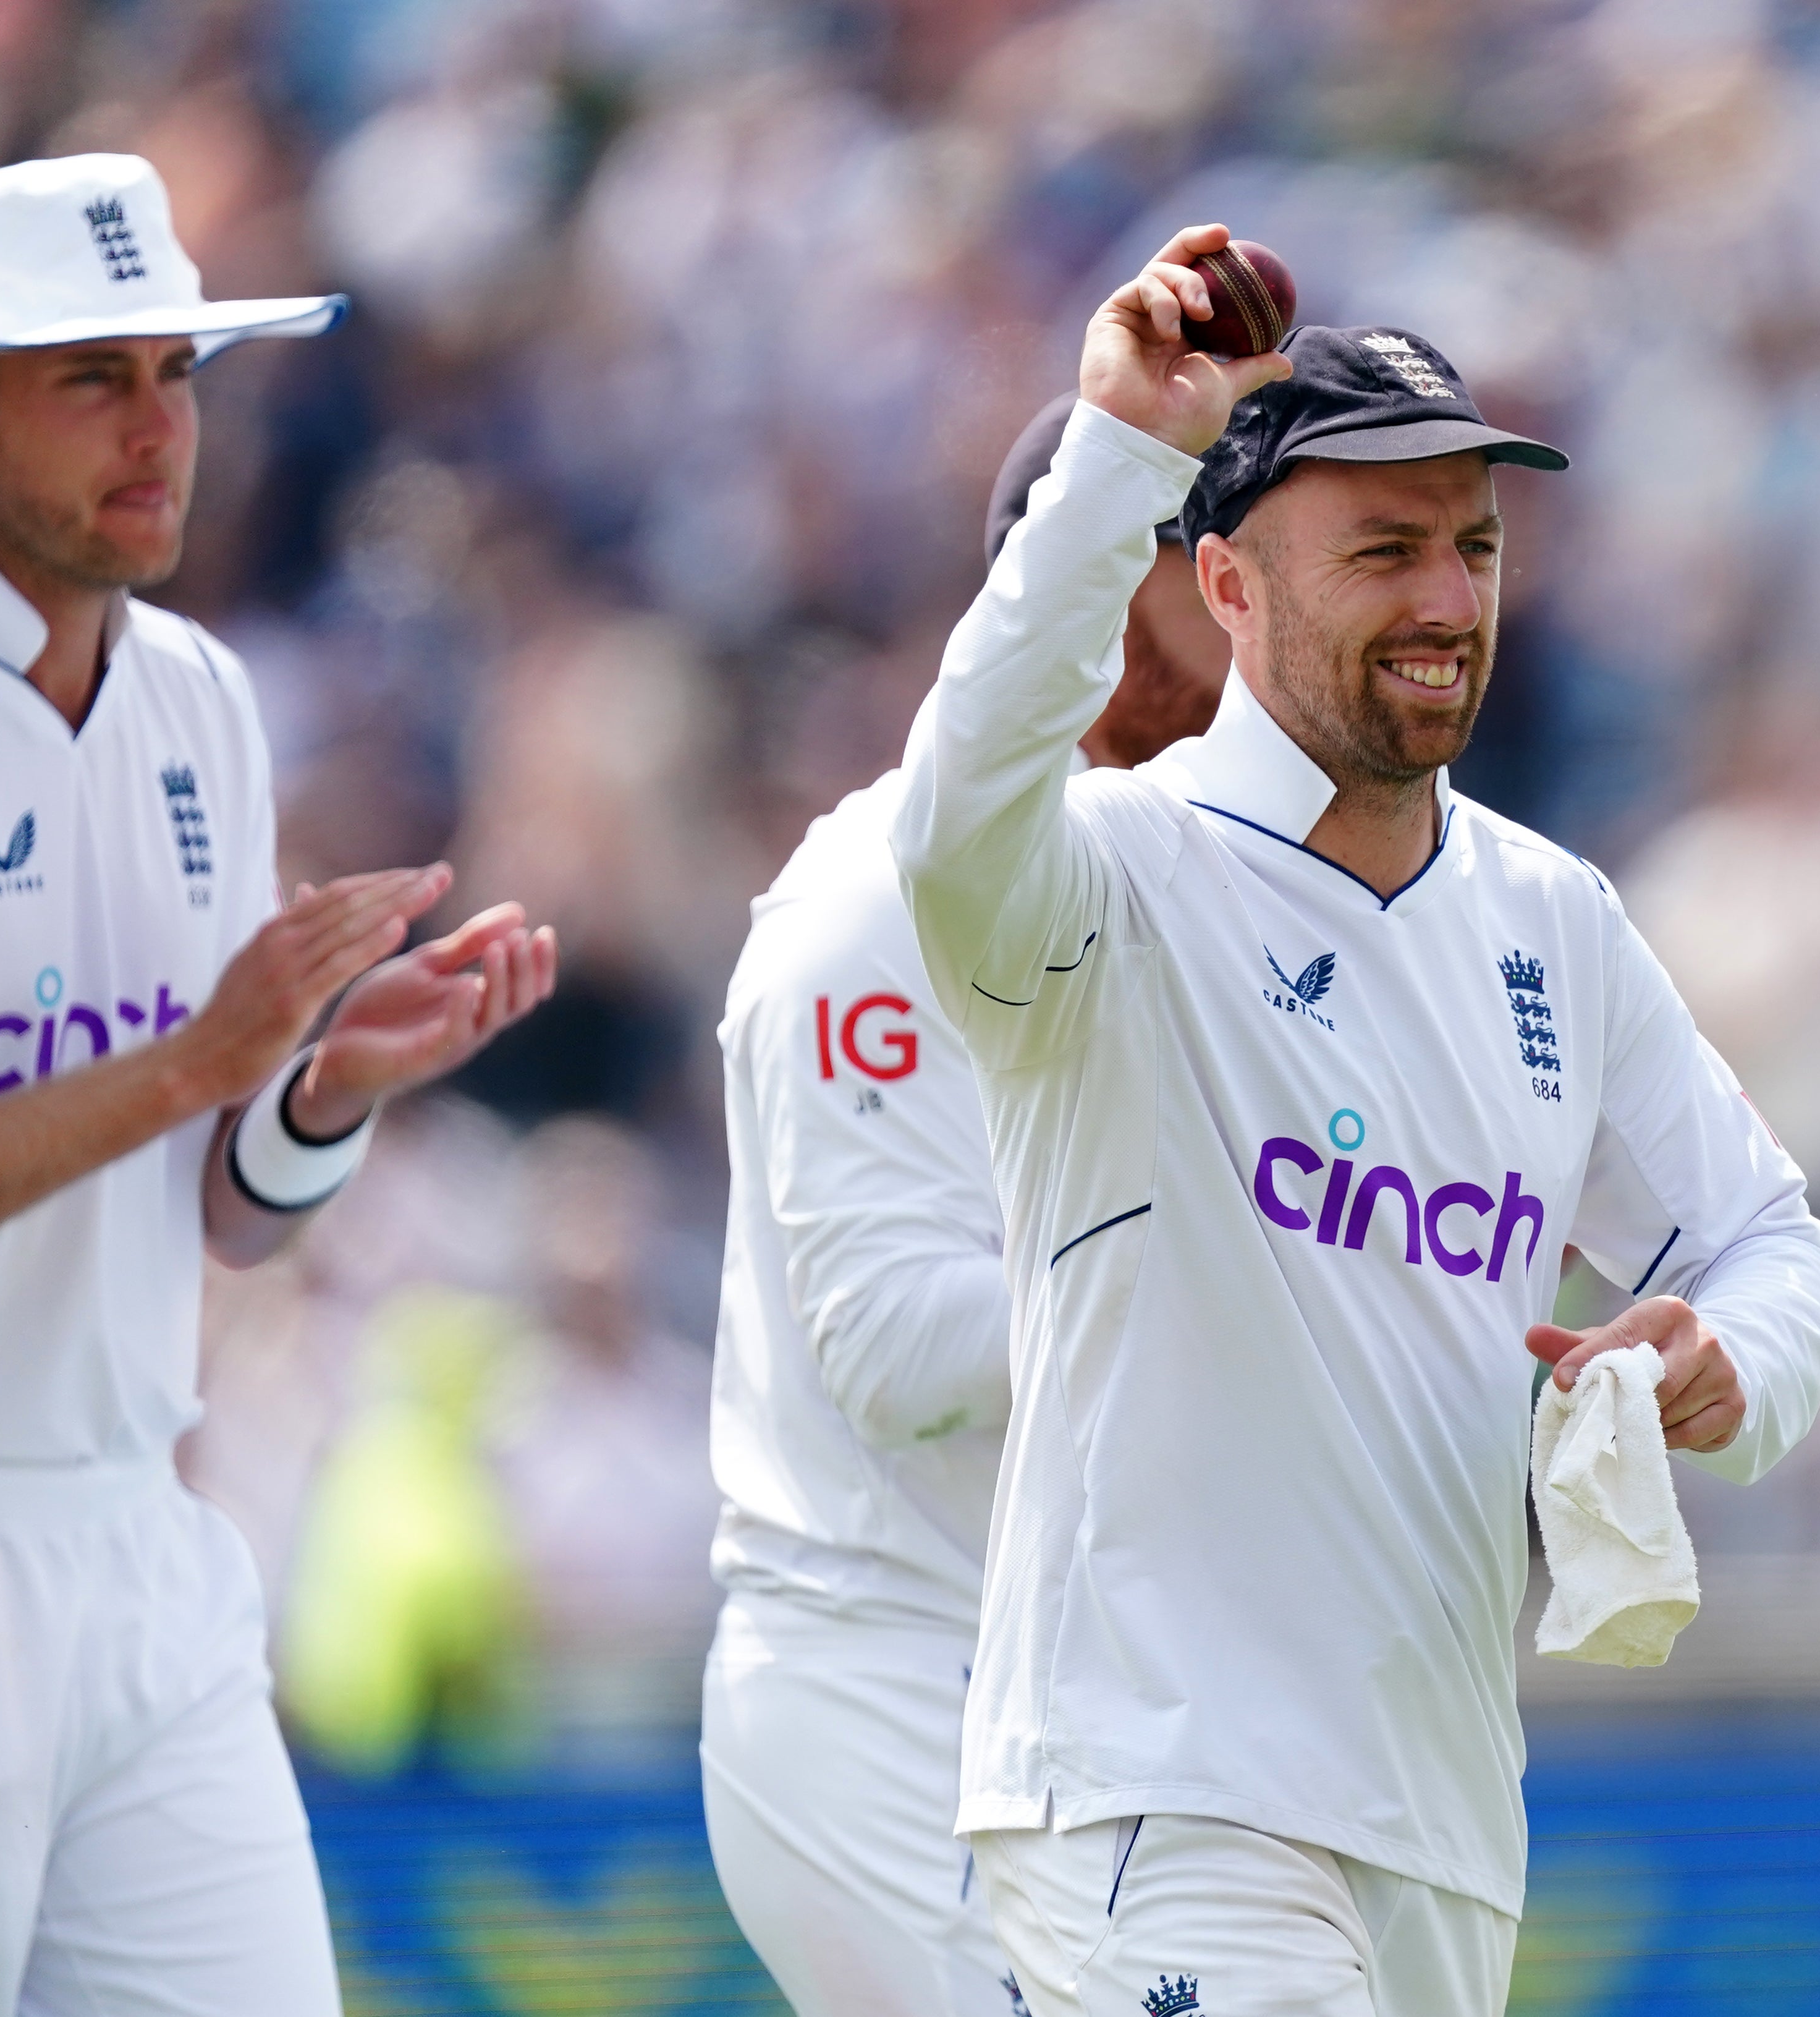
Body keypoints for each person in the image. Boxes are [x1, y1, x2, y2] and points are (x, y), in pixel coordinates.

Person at [893, 224, 1820, 2017]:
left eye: (1473, 546)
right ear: (1230, 586)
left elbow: (1770, 1247)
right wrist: (1118, 455)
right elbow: (951, 821)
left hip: (1438, 1825)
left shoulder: (1551, 919)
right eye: (1384, 549)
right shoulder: (1111, 876)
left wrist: (1726, 1359)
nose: (1445, 599)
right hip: (1153, 1790)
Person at [0, 154, 556, 2012]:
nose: (160, 429)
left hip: (135, 1538)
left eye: (177, 373)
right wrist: (199, 1061)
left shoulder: (200, 697)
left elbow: (226, 1215)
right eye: (93, 379)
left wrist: (326, 1089)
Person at [703, 391, 1231, 2017]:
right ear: (1085, 593)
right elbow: (894, 1350)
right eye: (1222, 565)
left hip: (1111, 1711)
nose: (1265, 607)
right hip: (894, 1694)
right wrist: (1240, 1271)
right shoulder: (871, 906)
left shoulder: (1216, 878)